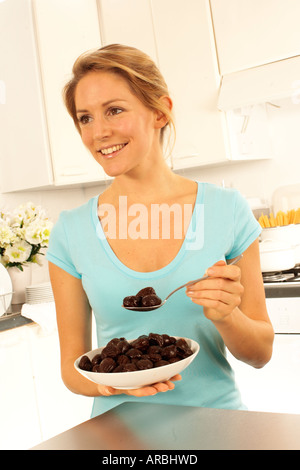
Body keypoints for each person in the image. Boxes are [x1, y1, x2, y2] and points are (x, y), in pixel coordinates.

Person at [46, 44, 274, 418]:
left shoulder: (226, 210)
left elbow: (261, 354)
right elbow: (72, 369)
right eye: (84, 118)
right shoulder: (70, 232)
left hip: (217, 424)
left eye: (114, 110)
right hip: (118, 435)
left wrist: (226, 316)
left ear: (160, 111)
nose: (98, 132)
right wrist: (113, 383)